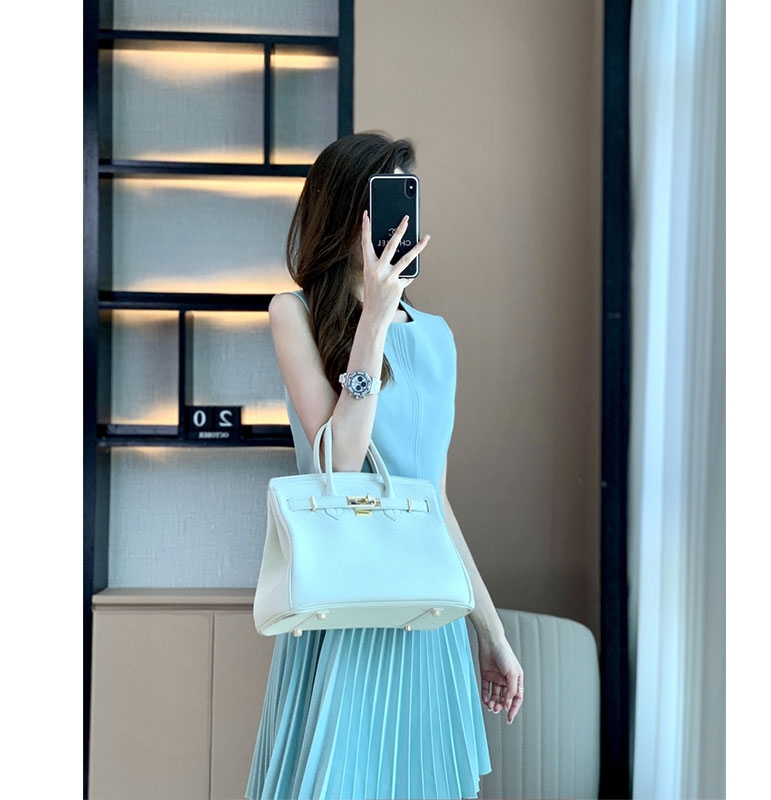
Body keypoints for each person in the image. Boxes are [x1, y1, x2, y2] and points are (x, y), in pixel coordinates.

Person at [246, 132, 524, 800]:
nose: (397, 221)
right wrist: (372, 321)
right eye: (382, 199)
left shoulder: (438, 338)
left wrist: (490, 631)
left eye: (407, 198)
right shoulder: (293, 314)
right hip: (342, 611)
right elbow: (341, 464)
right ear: (346, 210)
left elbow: (435, 507)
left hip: (426, 619)